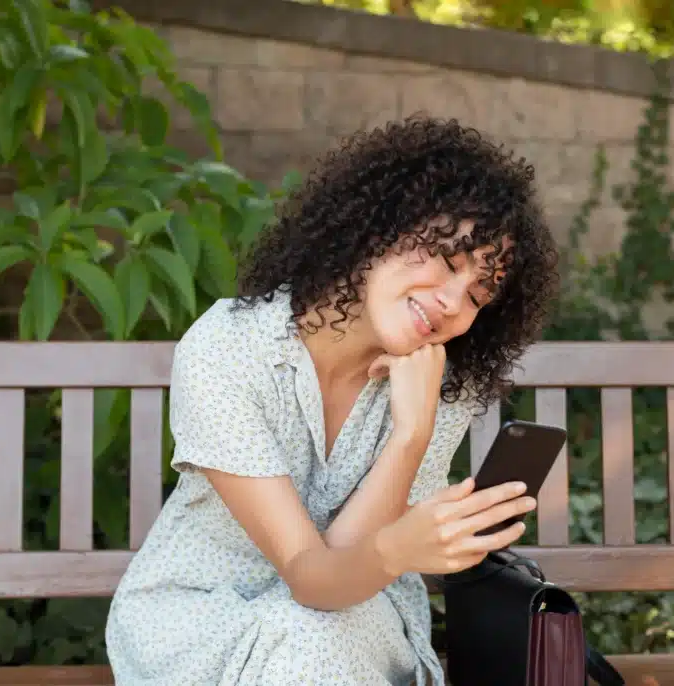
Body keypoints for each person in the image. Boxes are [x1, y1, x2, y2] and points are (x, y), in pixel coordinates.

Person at [104, 116, 561, 685]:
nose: (451, 303)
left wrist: (411, 437)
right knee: (309, 636)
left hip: (355, 623)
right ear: (377, 229)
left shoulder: (440, 382)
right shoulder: (231, 349)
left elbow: (333, 586)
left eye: (477, 293)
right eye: (447, 262)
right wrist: (405, 470)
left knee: (317, 635)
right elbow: (312, 578)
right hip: (204, 623)